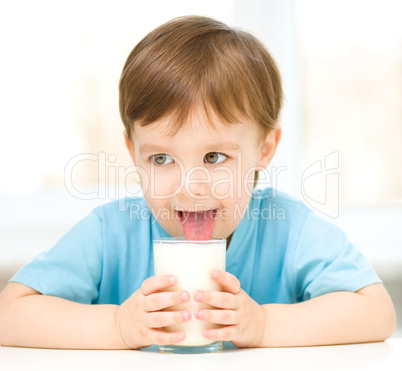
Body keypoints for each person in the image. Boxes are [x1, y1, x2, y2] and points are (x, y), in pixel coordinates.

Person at [0, 15, 396, 350]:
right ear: (132, 150)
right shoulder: (111, 233)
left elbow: (377, 312)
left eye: (213, 157)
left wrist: (265, 325)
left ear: (264, 148)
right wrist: (117, 326)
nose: (190, 187)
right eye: (161, 158)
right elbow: (10, 314)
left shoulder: (290, 230)